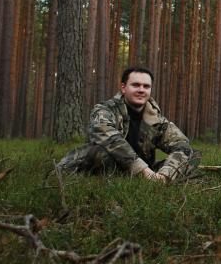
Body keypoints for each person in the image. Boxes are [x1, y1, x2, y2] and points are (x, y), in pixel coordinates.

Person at [58, 67, 199, 183]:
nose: (141, 90)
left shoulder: (156, 119)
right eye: (136, 85)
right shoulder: (104, 110)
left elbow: (182, 144)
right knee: (101, 153)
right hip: (111, 164)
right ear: (123, 88)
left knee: (192, 155)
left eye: (146, 86)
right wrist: (143, 170)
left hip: (146, 171)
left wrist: (164, 175)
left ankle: (158, 181)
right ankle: (131, 179)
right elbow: (107, 136)